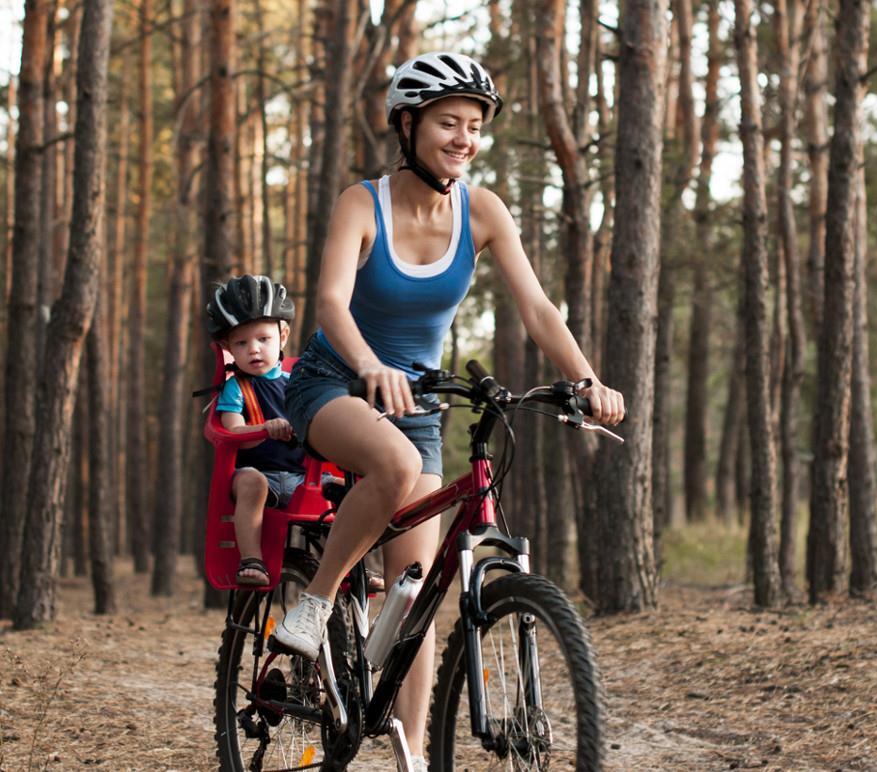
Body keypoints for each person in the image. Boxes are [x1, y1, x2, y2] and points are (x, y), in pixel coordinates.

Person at [274, 52, 625, 767]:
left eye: (474, 126)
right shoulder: (361, 202)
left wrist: (586, 378)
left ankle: (410, 761)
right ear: (408, 125)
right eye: (448, 122)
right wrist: (370, 363)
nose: (464, 138)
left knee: (414, 599)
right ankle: (314, 601)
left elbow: (536, 307)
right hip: (335, 383)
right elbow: (332, 302)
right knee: (395, 465)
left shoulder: (483, 210)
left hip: (419, 402)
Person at [206, 275, 305, 587]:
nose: (254, 350)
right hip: (256, 472)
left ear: (283, 336)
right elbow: (234, 432)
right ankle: (252, 559)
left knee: (345, 488)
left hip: (302, 476)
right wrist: (264, 428)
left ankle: (351, 563)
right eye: (241, 343)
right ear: (227, 348)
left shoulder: (297, 384)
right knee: (253, 482)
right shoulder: (237, 387)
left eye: (263, 339)